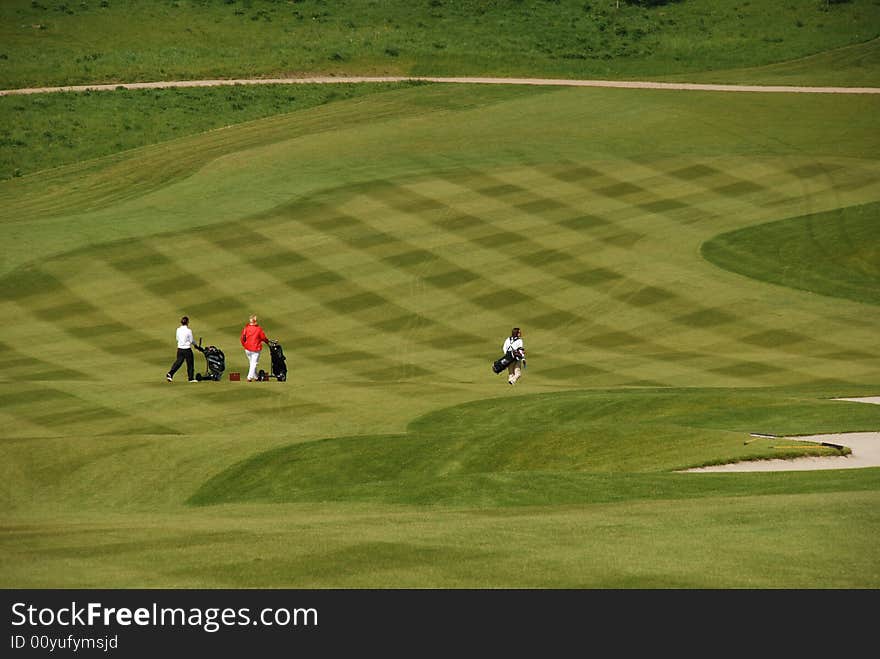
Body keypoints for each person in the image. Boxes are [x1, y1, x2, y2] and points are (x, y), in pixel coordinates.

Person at [166, 316, 196, 383]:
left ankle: (170, 373)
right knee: (190, 364)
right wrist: (195, 344)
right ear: (187, 322)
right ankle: (191, 378)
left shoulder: (178, 329)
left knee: (178, 362)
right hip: (187, 349)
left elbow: (177, 338)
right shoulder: (189, 331)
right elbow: (191, 341)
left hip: (180, 349)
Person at [240, 314, 269, 382]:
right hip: (255, 349)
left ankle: (256, 377)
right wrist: (267, 342)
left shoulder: (246, 328)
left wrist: (244, 345)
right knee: (254, 363)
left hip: (247, 349)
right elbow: (263, 338)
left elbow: (242, 338)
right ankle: (249, 377)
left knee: (252, 363)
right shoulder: (258, 329)